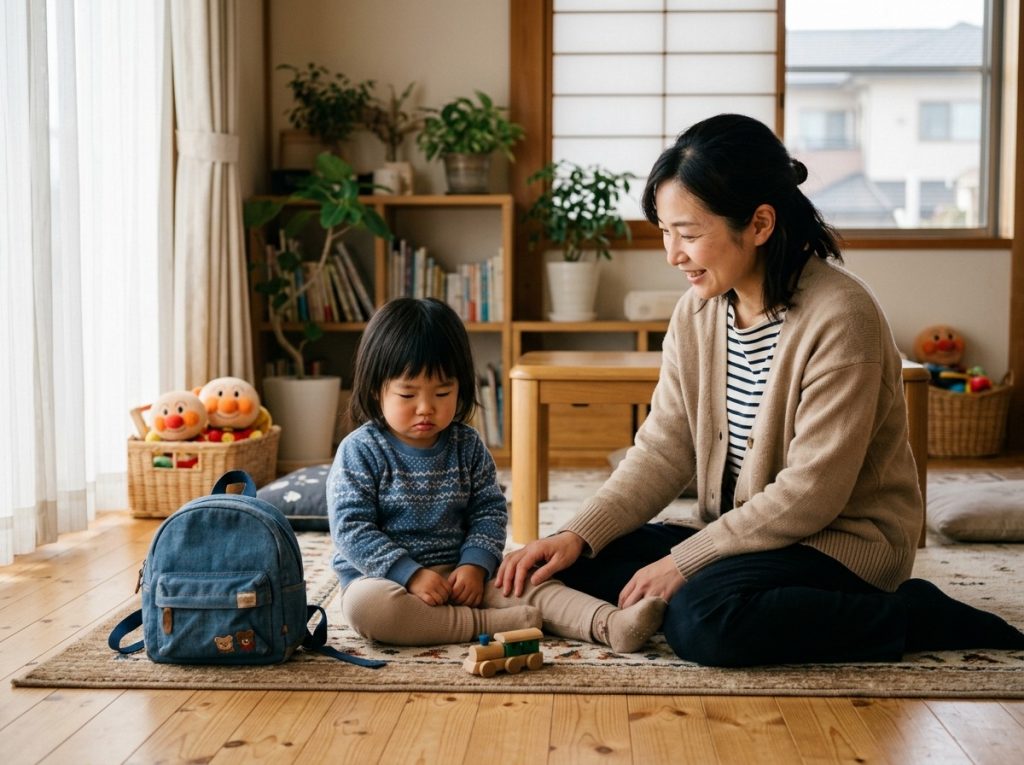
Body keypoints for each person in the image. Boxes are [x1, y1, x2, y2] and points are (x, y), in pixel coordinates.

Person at [496, 114, 1024, 666]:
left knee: (703, 621)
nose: (673, 254)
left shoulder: (843, 316)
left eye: (690, 234)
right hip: (741, 535)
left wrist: (685, 562)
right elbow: (664, 447)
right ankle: (717, 588)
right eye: (665, 233)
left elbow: (812, 492)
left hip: (837, 542)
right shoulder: (696, 311)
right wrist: (579, 533)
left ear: (760, 223)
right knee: (571, 565)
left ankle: (910, 614)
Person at [327, 297, 664, 651]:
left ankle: (610, 624)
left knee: (530, 582)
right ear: (374, 389)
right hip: (386, 580)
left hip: (462, 573)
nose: (426, 407)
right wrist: (409, 574)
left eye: (443, 392)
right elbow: (351, 530)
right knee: (368, 609)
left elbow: (488, 511)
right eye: (407, 394)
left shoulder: (467, 445)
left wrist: (475, 564)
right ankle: (491, 624)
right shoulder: (360, 450)